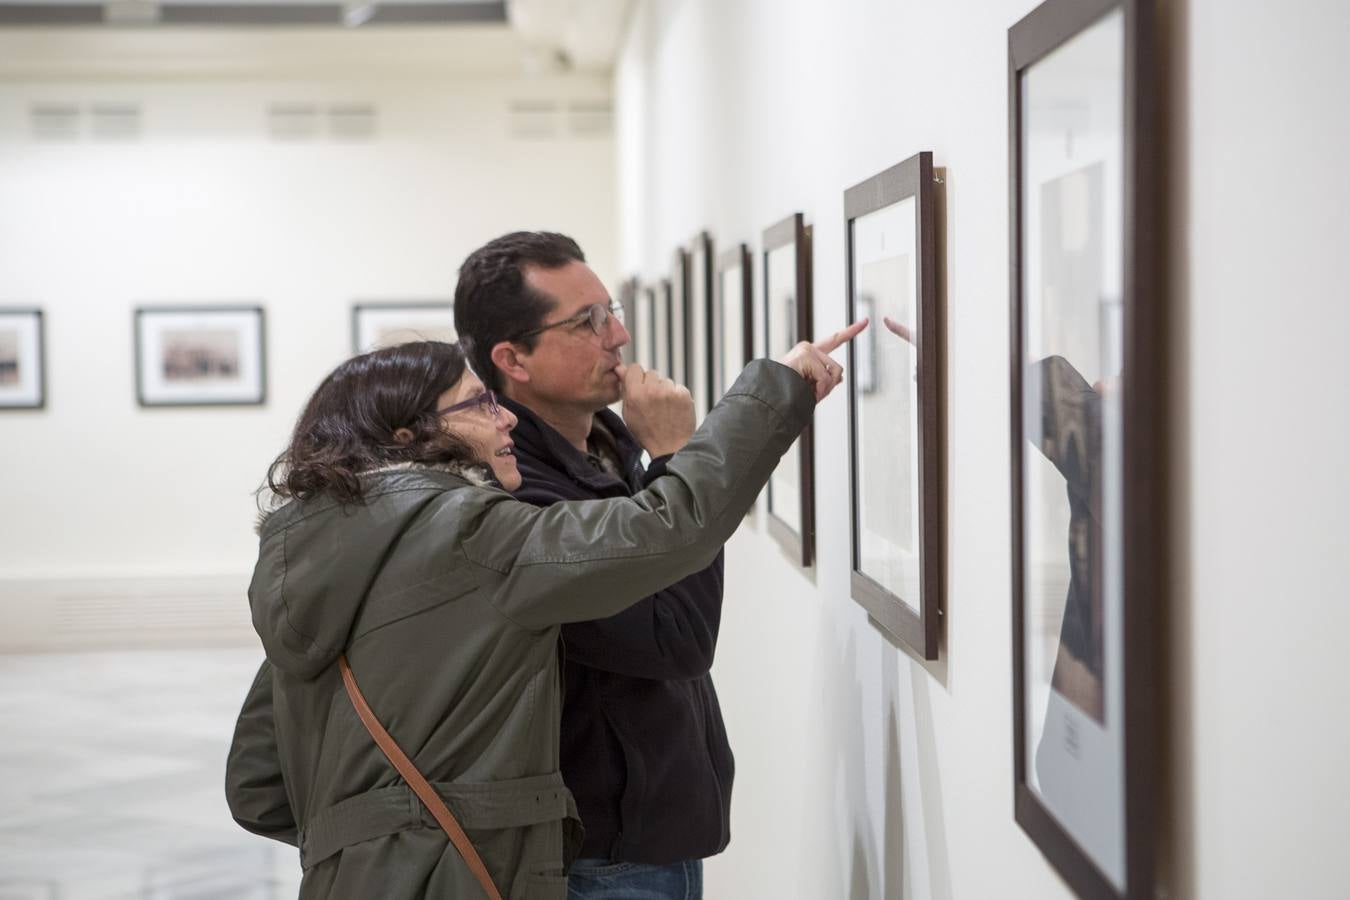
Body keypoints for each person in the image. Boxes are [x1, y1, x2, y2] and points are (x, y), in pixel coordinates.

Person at [225, 325, 862, 898]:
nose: (505, 419)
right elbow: (669, 530)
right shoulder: (468, 532)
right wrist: (776, 390)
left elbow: (258, 788)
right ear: (408, 437)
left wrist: (375, 838)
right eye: (478, 404)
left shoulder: (302, 557)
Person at [451, 232, 730, 897]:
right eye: (588, 323)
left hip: (650, 832)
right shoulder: (517, 494)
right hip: (596, 855)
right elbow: (678, 639)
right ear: (512, 359)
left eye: (613, 311)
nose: (620, 336)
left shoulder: (613, 444)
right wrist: (679, 465)